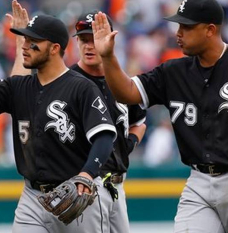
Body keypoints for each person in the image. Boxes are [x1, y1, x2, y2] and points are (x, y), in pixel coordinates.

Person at [92, 0, 228, 232]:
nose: (178, 33)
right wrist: (108, 57)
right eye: (178, 26)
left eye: (187, 27)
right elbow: (127, 93)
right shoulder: (173, 71)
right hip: (198, 181)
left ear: (210, 30)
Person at [0, 10, 117, 233]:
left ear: (54, 48)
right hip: (32, 197)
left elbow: (104, 136)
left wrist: (87, 174)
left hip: (77, 194)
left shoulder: (81, 87)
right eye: (25, 39)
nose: (25, 46)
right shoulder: (18, 86)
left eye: (33, 41)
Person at [71, 10, 147, 233]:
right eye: (83, 40)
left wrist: (130, 143)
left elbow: (139, 122)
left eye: (94, 39)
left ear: (110, 39)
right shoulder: (67, 81)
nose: (88, 46)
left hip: (117, 184)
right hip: (84, 184)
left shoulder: (122, 82)